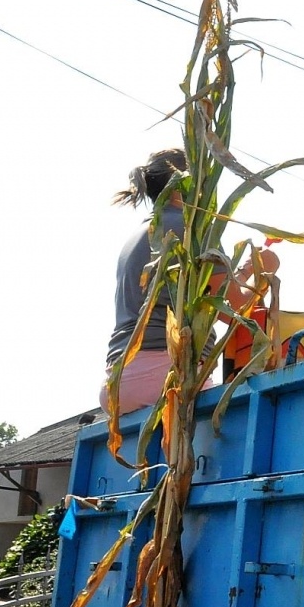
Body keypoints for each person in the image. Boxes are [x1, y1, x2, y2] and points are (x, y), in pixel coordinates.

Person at [102, 149, 278, 414]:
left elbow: (211, 293)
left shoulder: (143, 232)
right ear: (186, 183)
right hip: (164, 373)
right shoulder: (192, 232)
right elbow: (235, 311)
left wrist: (243, 270)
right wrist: (262, 273)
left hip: (117, 381)